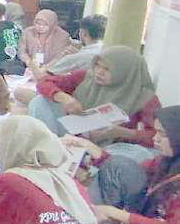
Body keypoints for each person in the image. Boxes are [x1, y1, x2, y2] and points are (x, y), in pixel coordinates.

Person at [71, 105, 180, 224]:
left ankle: (86, 223)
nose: (156, 139)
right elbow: (130, 171)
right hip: (150, 221)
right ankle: (86, 218)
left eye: (163, 134)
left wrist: (121, 216)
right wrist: (92, 149)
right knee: (119, 165)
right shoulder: (168, 161)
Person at [30, 46, 161, 163]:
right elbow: (44, 82)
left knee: (144, 155)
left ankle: (86, 163)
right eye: (97, 65)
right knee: (40, 102)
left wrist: (123, 132)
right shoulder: (86, 77)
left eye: (107, 69)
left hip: (108, 147)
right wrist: (65, 98)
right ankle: (50, 149)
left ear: (124, 72)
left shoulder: (145, 97)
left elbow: (157, 136)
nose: (99, 72)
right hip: (70, 135)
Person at [19, 9, 71, 77]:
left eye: (45, 25)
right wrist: (29, 62)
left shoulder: (62, 36)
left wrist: (44, 68)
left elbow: (60, 57)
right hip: (29, 69)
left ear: (52, 24)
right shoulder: (28, 32)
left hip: (53, 71)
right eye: (38, 24)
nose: (41, 27)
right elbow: (21, 51)